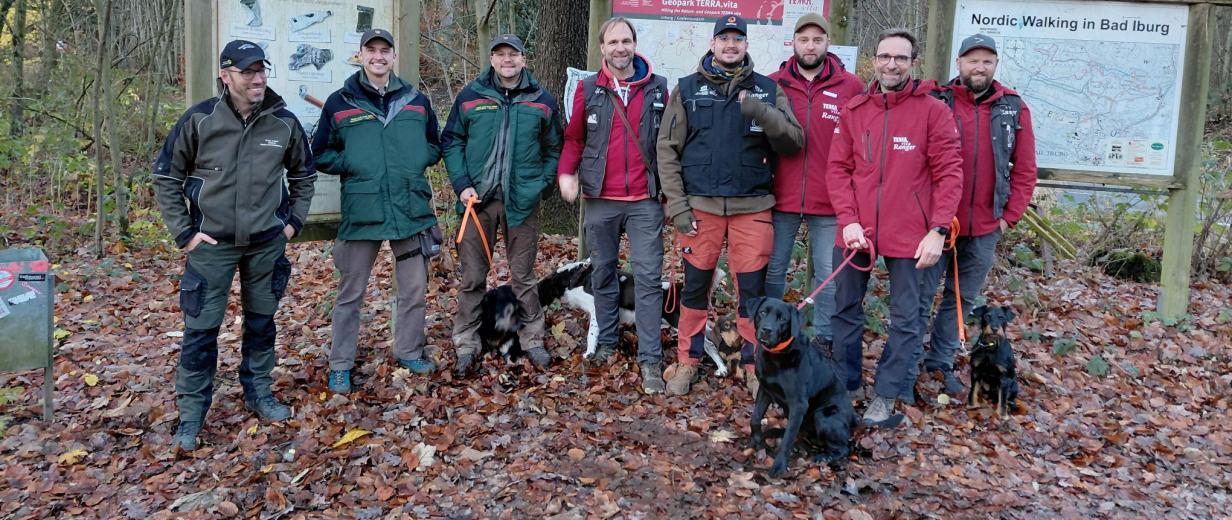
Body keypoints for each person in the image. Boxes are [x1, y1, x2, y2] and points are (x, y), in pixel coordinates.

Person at [153, 40, 316, 451]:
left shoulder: (283, 122)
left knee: (261, 323)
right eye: (248, 72)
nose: (258, 78)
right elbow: (167, 177)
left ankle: (259, 392)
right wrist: (185, 233)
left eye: (262, 70)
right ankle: (192, 415)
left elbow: (304, 176)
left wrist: (292, 224)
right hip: (212, 247)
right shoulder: (199, 120)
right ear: (226, 76)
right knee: (201, 331)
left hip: (265, 246)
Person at [657, 14, 804, 396]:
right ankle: (688, 361)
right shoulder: (687, 89)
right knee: (694, 289)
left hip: (752, 208)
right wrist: (678, 205)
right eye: (724, 38)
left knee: (752, 293)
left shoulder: (768, 90)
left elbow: (793, 142)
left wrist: (761, 111)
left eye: (737, 39)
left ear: (746, 45)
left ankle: (754, 365)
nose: (730, 45)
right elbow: (667, 150)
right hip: (699, 209)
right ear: (713, 44)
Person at [825, 28, 962, 424]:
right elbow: (838, 170)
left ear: (913, 63)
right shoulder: (855, 110)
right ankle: (847, 384)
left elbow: (950, 174)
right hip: (858, 231)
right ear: (875, 60)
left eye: (901, 58)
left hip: (912, 232)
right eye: (885, 56)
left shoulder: (933, 111)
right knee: (844, 310)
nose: (892, 64)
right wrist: (848, 220)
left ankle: (885, 394)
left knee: (906, 318)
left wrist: (938, 230)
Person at [311, 29, 444, 393]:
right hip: (363, 207)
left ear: (393, 56)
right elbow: (320, 152)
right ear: (361, 55)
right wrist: (353, 164)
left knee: (414, 289)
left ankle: (409, 350)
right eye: (372, 50)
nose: (379, 56)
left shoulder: (416, 100)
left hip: (409, 206)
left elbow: (434, 144)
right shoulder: (340, 102)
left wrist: (415, 161)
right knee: (350, 293)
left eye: (385, 50)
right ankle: (341, 364)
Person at [914, 33, 1037, 395]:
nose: (979, 67)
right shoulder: (937, 100)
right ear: (959, 64)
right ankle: (907, 363)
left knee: (960, 299)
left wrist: (1008, 218)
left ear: (995, 64)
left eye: (986, 61)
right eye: (972, 60)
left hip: (985, 227)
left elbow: (1025, 169)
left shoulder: (1013, 107)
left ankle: (939, 363)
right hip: (934, 226)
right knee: (919, 296)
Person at [557, 17, 669, 393]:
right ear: (602, 48)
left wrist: (670, 194)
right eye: (613, 42)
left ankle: (650, 359)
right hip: (601, 200)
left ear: (634, 44)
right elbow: (574, 138)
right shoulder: (589, 89)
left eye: (626, 41)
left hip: (644, 201)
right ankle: (607, 342)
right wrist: (566, 173)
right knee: (603, 274)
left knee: (649, 279)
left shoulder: (658, 88)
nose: (620, 47)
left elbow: (670, 145)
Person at [442, 34, 562, 376]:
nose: (507, 60)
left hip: (521, 202)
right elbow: (452, 141)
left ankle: (532, 339)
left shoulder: (542, 100)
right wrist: (462, 185)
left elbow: (555, 148)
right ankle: (466, 341)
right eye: (500, 54)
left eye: (513, 54)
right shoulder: (471, 96)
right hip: (477, 202)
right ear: (492, 59)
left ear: (524, 58)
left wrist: (540, 185)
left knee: (523, 275)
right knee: (472, 277)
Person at [764, 13, 863, 342]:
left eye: (817, 40)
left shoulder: (851, 87)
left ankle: (823, 342)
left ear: (827, 43)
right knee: (773, 271)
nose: (810, 46)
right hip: (781, 197)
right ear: (793, 42)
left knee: (828, 277)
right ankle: (772, 338)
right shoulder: (773, 83)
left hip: (830, 201)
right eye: (804, 40)